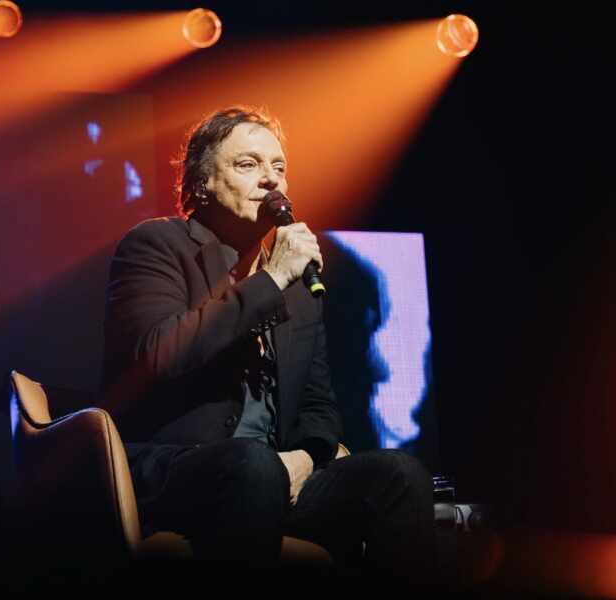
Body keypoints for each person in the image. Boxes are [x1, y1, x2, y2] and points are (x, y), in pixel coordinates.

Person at [101, 106, 438, 582]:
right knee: (251, 464)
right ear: (202, 183)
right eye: (248, 164)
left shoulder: (297, 288)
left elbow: (319, 406)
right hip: (177, 467)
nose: (271, 179)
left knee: (399, 475)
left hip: (272, 474)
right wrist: (273, 278)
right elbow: (157, 355)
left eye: (279, 167)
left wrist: (305, 458)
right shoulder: (157, 244)